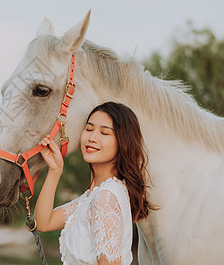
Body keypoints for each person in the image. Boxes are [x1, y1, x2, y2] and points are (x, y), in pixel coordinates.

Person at [34, 101, 156, 265]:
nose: (92, 138)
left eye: (104, 133)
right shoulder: (94, 195)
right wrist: (55, 171)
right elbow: (43, 223)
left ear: (123, 142)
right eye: (89, 129)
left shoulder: (105, 198)